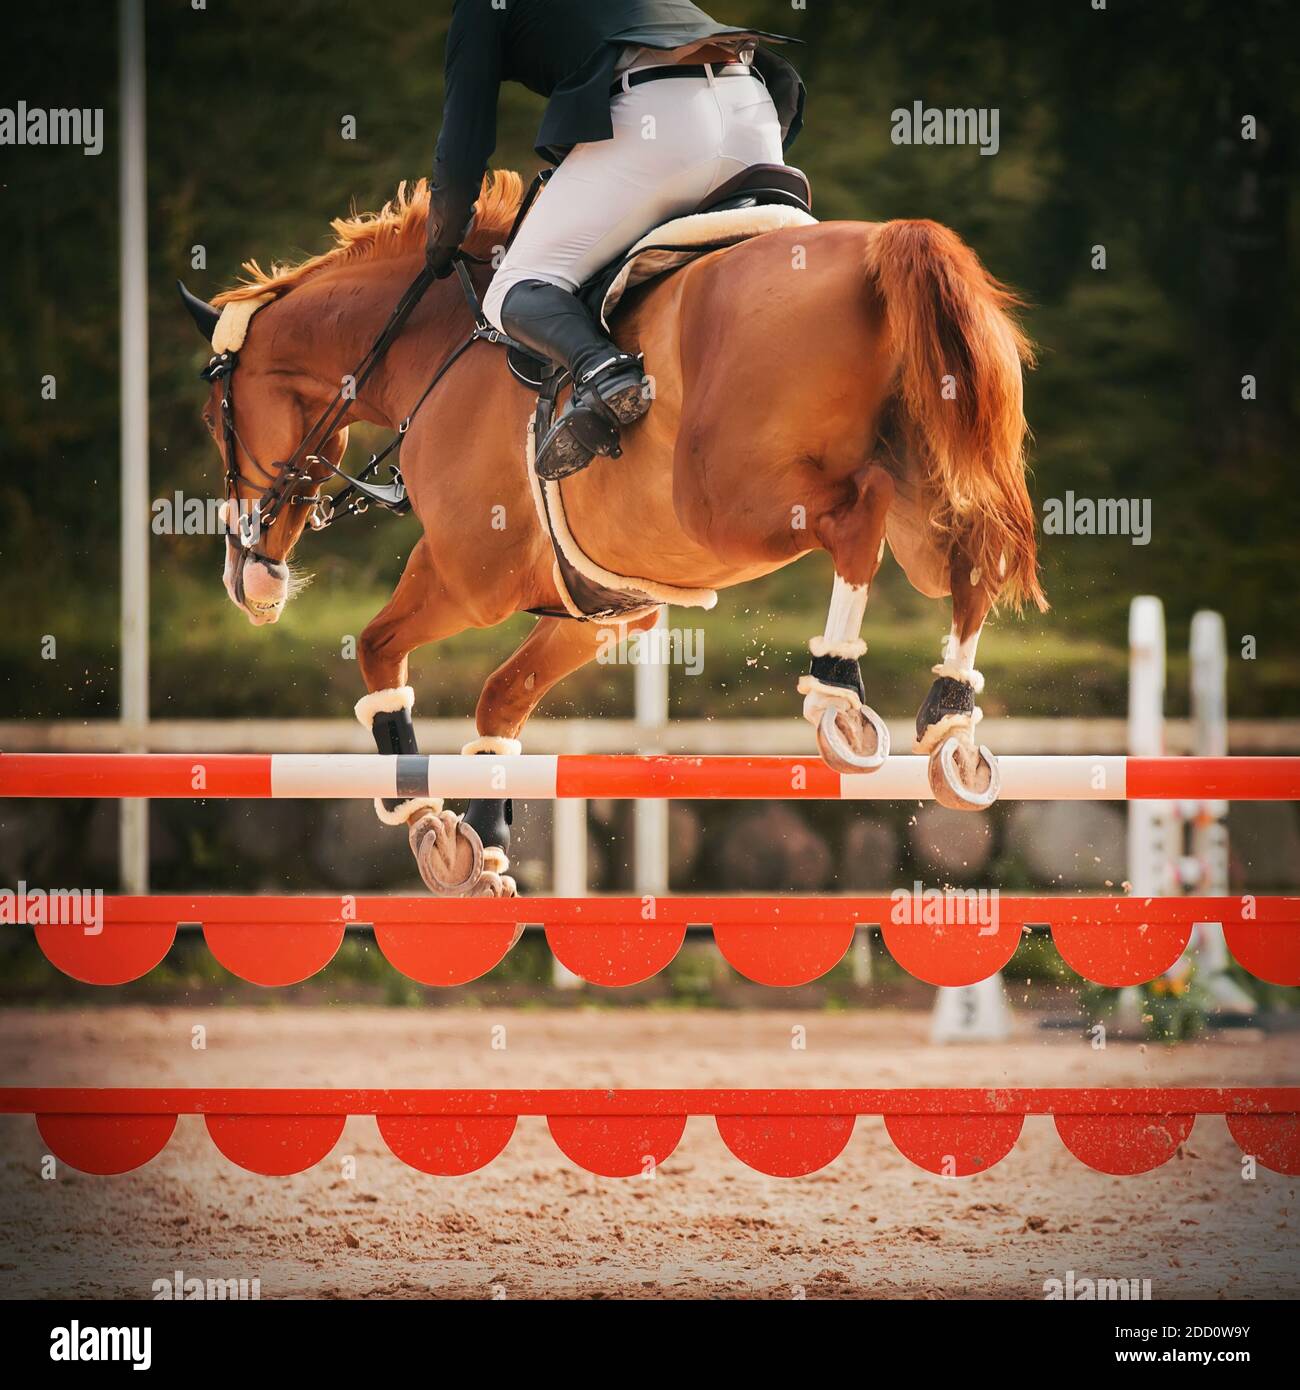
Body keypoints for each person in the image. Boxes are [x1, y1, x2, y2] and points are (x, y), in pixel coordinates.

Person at [426, 0, 805, 479]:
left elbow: (464, 142)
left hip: (661, 117)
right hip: (753, 110)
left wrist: (442, 240)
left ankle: (603, 371)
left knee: (510, 288)